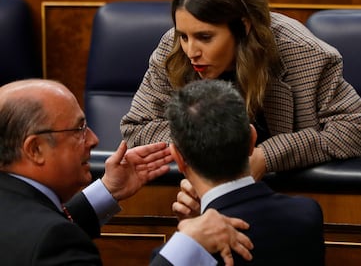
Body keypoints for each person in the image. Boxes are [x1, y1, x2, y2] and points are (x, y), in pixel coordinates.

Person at [120, 0, 361, 181]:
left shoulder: (303, 53)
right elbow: (137, 129)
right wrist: (217, 149)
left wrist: (266, 157)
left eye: (205, 37)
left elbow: (355, 132)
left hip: (329, 195)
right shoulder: (173, 48)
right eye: (184, 36)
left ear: (243, 27)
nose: (191, 51)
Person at [0, 79, 253, 266]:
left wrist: (108, 190)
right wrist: (186, 245)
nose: (94, 139)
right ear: (35, 149)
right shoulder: (51, 242)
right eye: (78, 130)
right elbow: (43, 236)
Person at [163, 79, 325, 265]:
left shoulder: (177, 254)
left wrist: (186, 241)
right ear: (252, 140)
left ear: (177, 157)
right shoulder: (307, 213)